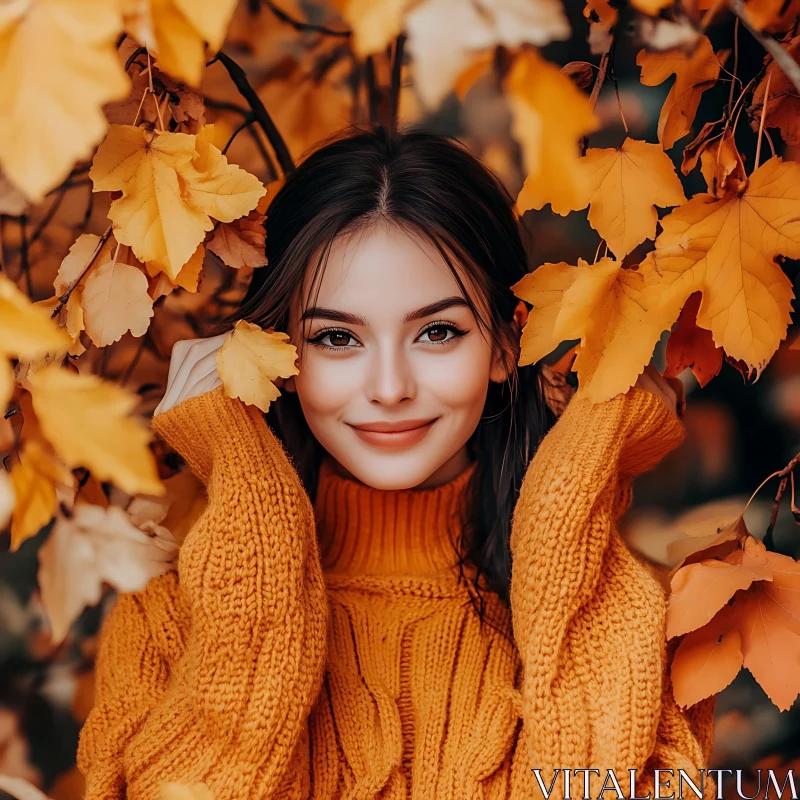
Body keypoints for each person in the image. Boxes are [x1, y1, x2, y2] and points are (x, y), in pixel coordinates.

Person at [76, 127, 715, 800]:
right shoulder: (163, 620)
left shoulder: (648, 621)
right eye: (336, 337)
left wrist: (575, 492)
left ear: (505, 346)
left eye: (438, 332)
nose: (388, 387)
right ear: (279, 356)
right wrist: (247, 491)